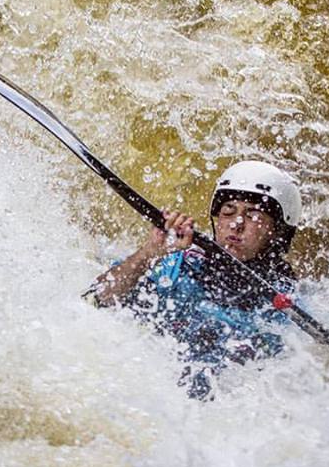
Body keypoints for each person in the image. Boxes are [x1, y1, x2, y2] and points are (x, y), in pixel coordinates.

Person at [89, 160, 304, 398]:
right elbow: (97, 299)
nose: (236, 224)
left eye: (253, 215)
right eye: (228, 211)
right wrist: (150, 252)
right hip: (156, 394)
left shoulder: (287, 300)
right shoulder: (176, 266)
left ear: (278, 233)